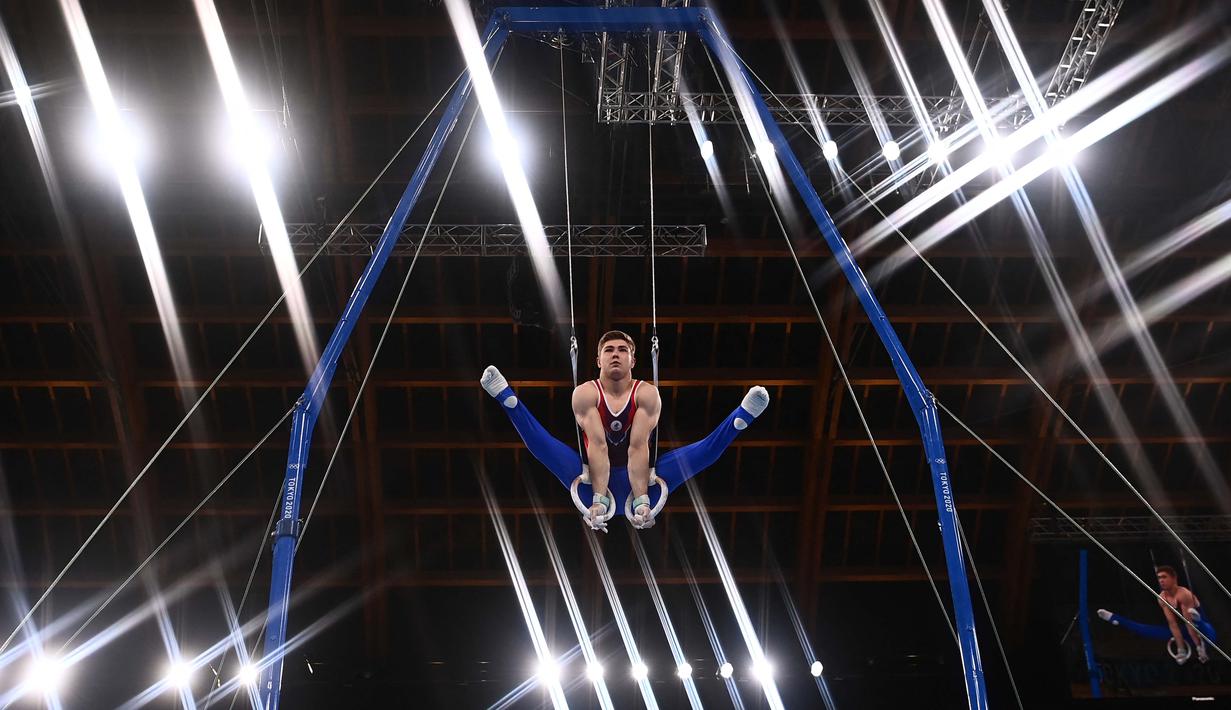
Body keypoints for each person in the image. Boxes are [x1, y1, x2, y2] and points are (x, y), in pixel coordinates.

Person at [480, 329, 769, 530]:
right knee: (543, 445)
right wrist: (597, 499)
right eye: (608, 350)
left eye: (622, 350)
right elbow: (598, 445)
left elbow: (637, 446)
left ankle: (740, 417)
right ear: (598, 361)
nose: (615, 355)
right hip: (592, 475)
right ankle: (508, 399)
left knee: (702, 453)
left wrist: (642, 500)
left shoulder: (647, 394)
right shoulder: (585, 393)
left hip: (642, 476)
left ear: (633, 360)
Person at [1098, 565, 1214, 664]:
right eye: (1159, 578)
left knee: (1198, 624)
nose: (1161, 580)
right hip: (1183, 630)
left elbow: (1189, 624)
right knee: (1147, 630)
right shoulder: (1162, 598)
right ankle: (1116, 619)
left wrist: (1199, 648)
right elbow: (1172, 624)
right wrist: (1181, 650)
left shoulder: (1184, 594)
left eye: (1164, 577)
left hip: (1202, 630)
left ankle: (1198, 621)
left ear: (1174, 578)